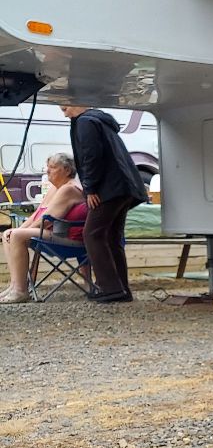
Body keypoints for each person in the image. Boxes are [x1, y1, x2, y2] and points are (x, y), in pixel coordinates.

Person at [60, 106, 148, 303]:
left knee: (92, 234)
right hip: (123, 187)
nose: (61, 106)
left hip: (109, 189)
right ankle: (121, 289)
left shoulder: (85, 122)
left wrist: (90, 188)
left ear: (77, 102)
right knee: (111, 236)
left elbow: (91, 156)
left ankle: (110, 288)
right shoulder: (97, 120)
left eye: (65, 102)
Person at [0, 153, 87, 304]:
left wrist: (19, 233)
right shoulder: (56, 187)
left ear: (67, 170)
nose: (48, 171)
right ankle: (15, 285)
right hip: (56, 233)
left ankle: (21, 291)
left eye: (53, 168)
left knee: (16, 236)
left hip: (69, 238)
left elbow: (46, 220)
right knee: (8, 234)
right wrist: (19, 229)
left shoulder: (69, 189)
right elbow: (37, 214)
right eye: (48, 167)